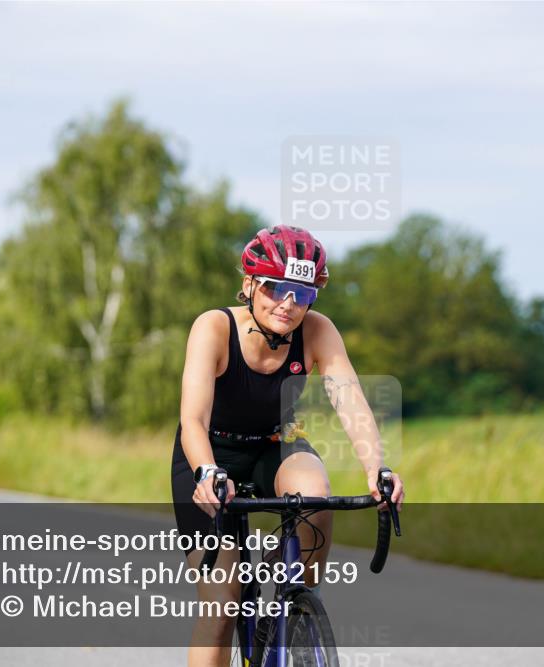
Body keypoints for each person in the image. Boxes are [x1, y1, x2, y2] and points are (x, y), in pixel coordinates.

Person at [170, 224, 405, 666]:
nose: (288, 303)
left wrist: (377, 469)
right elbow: (192, 420)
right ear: (249, 285)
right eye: (275, 287)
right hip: (210, 453)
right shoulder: (213, 327)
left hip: (274, 444)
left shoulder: (317, 330)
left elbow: (350, 400)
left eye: (303, 293)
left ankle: (292, 600)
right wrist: (207, 472)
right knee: (221, 604)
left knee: (315, 496)